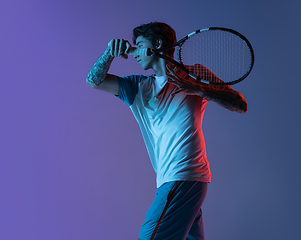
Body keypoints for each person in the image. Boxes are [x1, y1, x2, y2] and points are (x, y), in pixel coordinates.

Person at [85, 22, 247, 240]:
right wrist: (110, 53)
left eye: (139, 45)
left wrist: (199, 89)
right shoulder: (138, 87)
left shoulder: (195, 74)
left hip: (183, 175)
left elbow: (239, 104)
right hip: (176, 180)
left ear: (157, 45)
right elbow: (94, 81)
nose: (134, 52)